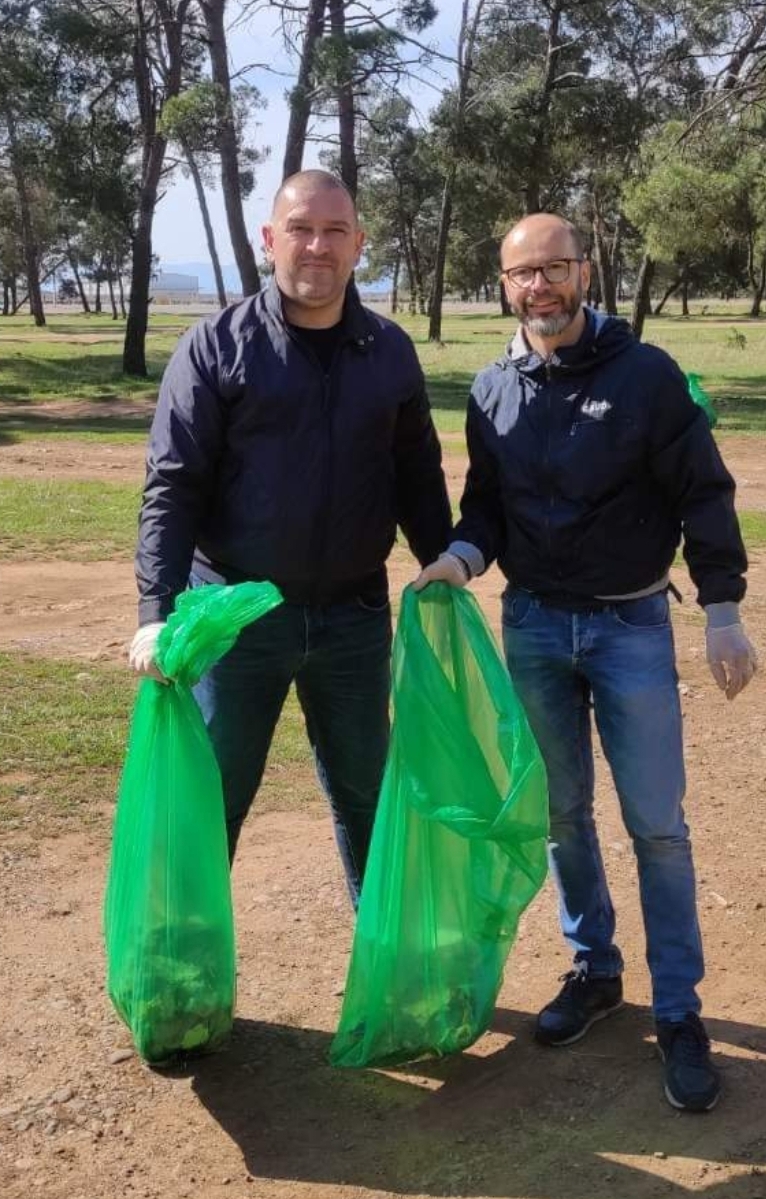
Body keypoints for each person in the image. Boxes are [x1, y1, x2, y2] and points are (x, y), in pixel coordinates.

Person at [415, 212, 757, 1112]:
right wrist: (460, 557)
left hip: (630, 628)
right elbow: (486, 506)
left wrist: (722, 611)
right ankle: (595, 968)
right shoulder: (491, 387)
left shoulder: (647, 376)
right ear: (505, 284)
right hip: (530, 628)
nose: (541, 287)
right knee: (563, 815)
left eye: (555, 269)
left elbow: (704, 494)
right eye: (523, 273)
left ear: (585, 271)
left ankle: (680, 1010)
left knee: (657, 826)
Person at [129, 170, 452, 904]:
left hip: (354, 619)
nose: (318, 245)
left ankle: (388, 975)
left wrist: (445, 558)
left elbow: (415, 470)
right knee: (211, 803)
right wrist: (155, 612)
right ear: (270, 239)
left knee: (370, 801)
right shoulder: (215, 349)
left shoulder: (389, 351)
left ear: (359, 245)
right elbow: (172, 486)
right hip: (235, 617)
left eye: (336, 231)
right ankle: (183, 979)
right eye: (301, 229)